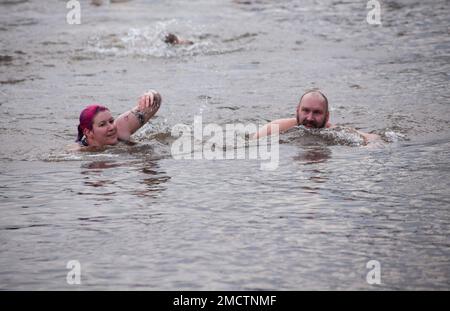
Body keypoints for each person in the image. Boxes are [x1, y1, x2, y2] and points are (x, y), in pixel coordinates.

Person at [253, 89, 380, 144]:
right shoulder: (279, 127)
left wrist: (370, 147)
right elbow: (253, 140)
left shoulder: (335, 132)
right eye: (305, 111)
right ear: (297, 111)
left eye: (317, 112)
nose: (309, 118)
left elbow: (374, 138)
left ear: (327, 116)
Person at [70, 90, 161, 151]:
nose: (111, 127)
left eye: (111, 121)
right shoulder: (79, 151)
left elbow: (154, 102)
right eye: (102, 124)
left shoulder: (121, 128)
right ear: (88, 132)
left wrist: (150, 95)